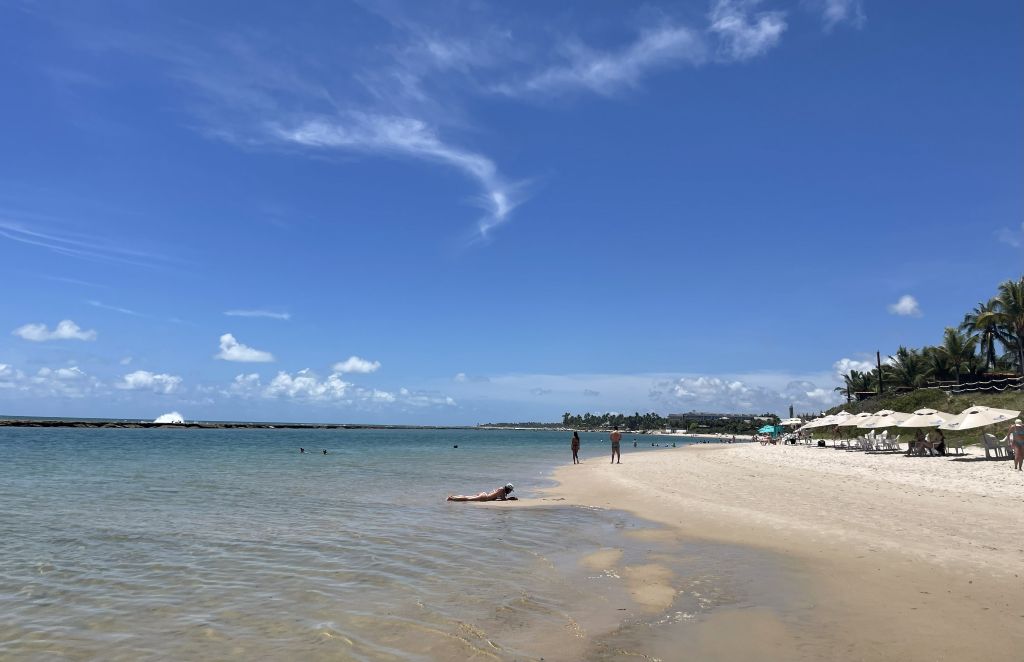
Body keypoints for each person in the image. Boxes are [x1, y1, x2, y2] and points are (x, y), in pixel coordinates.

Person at [447, 483, 516, 502]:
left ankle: (454, 497)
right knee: (467, 499)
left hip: (484, 494)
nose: (510, 492)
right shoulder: (502, 491)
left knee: (467, 497)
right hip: (484, 497)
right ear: (508, 489)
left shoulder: (501, 488)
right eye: (510, 490)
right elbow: (503, 499)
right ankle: (452, 498)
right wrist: (510, 498)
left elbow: (499, 497)